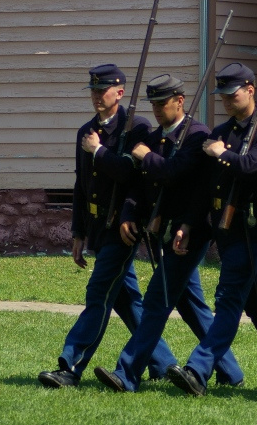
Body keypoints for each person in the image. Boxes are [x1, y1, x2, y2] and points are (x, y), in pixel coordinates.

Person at [92, 74, 244, 392]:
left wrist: (145, 156)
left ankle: (127, 373)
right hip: (162, 231)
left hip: (189, 231)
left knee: (155, 301)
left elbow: (176, 176)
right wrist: (131, 214)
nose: (158, 109)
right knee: (189, 303)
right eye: (154, 104)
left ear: (180, 100)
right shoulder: (155, 137)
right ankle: (230, 370)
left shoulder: (195, 135)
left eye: (163, 103)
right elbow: (140, 185)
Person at [38, 64, 176, 388]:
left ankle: (70, 366)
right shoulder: (86, 132)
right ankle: (164, 363)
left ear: (120, 92)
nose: (97, 96)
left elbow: (131, 177)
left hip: (123, 228)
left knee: (98, 293)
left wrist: (99, 151)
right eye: (94, 90)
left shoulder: (137, 129)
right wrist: (78, 232)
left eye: (104, 90)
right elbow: (81, 185)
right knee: (128, 301)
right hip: (98, 228)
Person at [166, 62, 257, 396]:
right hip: (223, 225)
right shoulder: (221, 132)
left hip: (250, 225)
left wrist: (223, 153)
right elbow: (205, 188)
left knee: (227, 299)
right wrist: (189, 224)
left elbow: (252, 167)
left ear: (250, 90)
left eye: (231, 92)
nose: (225, 99)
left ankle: (199, 368)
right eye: (221, 94)